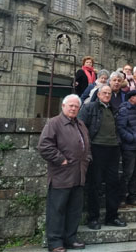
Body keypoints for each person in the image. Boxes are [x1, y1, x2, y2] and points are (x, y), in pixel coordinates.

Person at [38, 94, 91, 252]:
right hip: (61, 174)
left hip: (79, 174)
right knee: (57, 210)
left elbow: (86, 145)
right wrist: (61, 159)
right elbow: (44, 146)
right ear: (63, 106)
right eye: (71, 105)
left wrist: (87, 158)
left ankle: (70, 239)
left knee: (74, 210)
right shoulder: (54, 123)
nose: (74, 108)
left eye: (76, 106)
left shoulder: (80, 124)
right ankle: (55, 243)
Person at [78, 85, 126, 230]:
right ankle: (93, 218)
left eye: (109, 93)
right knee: (95, 184)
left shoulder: (113, 109)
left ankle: (112, 217)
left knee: (113, 184)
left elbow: (118, 128)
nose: (107, 95)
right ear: (98, 94)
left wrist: (118, 142)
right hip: (96, 148)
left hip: (113, 149)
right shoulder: (89, 108)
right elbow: (81, 127)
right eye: (104, 93)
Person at [117, 90, 136, 208]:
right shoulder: (125, 110)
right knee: (127, 173)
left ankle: (132, 198)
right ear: (131, 98)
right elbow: (120, 128)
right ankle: (121, 199)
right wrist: (132, 138)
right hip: (129, 147)